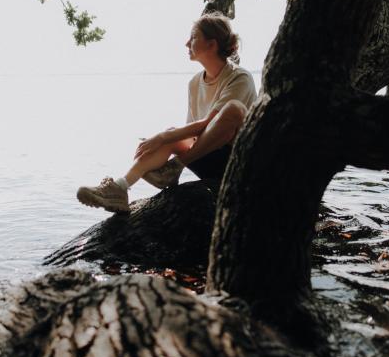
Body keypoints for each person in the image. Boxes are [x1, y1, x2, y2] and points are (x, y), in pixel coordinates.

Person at [76, 11, 257, 213]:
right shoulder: (195, 83)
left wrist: (163, 137)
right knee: (172, 134)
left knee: (233, 110)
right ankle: (120, 188)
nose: (187, 43)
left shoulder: (240, 78)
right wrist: (164, 140)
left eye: (194, 37)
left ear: (212, 44)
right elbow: (195, 135)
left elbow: (209, 124)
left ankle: (174, 166)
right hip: (208, 157)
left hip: (239, 161)